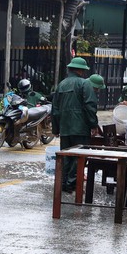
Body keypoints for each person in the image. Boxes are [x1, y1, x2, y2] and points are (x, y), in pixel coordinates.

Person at [51, 56, 99, 192]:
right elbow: (90, 106)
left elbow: (54, 109)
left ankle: (64, 183)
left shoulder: (61, 84)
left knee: (66, 156)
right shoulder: (84, 84)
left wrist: (56, 128)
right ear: (81, 70)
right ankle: (72, 183)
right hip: (80, 128)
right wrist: (93, 125)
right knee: (79, 156)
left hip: (65, 128)